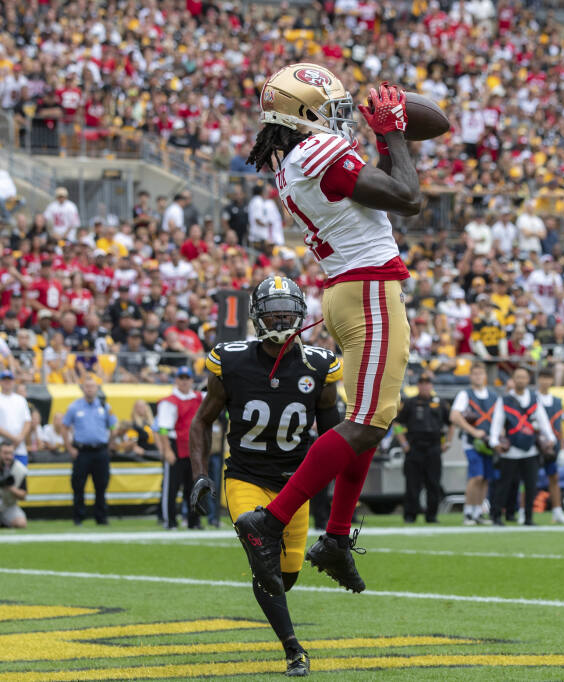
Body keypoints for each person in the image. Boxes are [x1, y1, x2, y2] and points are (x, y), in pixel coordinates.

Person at [235, 66, 421, 599]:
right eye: (328, 107)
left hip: (347, 289)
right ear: (302, 114)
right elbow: (409, 196)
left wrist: (389, 143)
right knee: (367, 422)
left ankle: (336, 538)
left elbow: (383, 191)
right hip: (368, 289)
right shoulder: (317, 156)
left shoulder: (295, 163)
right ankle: (272, 520)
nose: (339, 118)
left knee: (369, 420)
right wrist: (394, 134)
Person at [187, 275, 341, 678]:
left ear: (300, 315)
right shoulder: (233, 360)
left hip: (295, 483)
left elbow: (333, 436)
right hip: (245, 476)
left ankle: (278, 612)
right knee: (262, 555)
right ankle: (294, 649)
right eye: (273, 314)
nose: (280, 321)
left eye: (287, 314)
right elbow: (202, 422)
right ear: (257, 317)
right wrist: (200, 474)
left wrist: (339, 489)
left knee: (282, 577)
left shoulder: (319, 366)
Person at [487, 366, 556, 526]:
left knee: (531, 485)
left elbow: (543, 421)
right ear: (513, 379)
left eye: (524, 377)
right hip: (511, 450)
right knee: (504, 485)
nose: (521, 380)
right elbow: (497, 422)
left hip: (530, 449)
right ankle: (496, 515)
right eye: (518, 377)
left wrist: (550, 437)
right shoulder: (504, 401)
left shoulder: (533, 399)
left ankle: (528, 517)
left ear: (528, 380)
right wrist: (494, 441)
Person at [394, 372, 451, 524]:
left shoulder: (440, 403)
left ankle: (431, 515)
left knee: (433, 483)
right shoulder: (410, 403)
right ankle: (410, 515)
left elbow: (451, 422)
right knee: (412, 483)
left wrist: (448, 442)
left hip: (434, 447)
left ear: (431, 386)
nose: (425, 386)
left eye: (427, 383)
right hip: (414, 447)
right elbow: (397, 423)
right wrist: (403, 443)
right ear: (418, 385)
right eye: (422, 383)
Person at [63, 375, 118, 526]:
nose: (90, 389)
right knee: (78, 486)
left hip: (100, 451)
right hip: (82, 451)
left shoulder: (104, 406)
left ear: (97, 389)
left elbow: (113, 425)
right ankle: (78, 517)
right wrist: (69, 447)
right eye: (87, 386)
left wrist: (110, 442)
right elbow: (64, 426)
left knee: (101, 485)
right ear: (82, 389)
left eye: (92, 386)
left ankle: (101, 517)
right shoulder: (74, 407)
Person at [449, 362, 498, 525]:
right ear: (471, 376)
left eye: (481, 373)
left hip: (489, 443)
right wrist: (473, 431)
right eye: (475, 374)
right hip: (472, 443)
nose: (478, 377)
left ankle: (478, 512)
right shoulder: (465, 394)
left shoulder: (493, 395)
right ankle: (468, 512)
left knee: (485, 478)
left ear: (485, 376)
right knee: (476, 476)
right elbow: (455, 416)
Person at [155, 365, 204, 530]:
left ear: (191, 380)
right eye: (181, 378)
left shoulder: (198, 397)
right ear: (176, 380)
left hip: (194, 448)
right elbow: (162, 428)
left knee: (194, 487)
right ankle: (170, 521)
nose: (184, 381)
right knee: (172, 487)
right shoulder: (170, 402)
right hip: (176, 446)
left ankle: (194, 521)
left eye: (186, 378)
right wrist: (167, 450)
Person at [536, 369, 564, 525]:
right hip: (536, 444)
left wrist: (563, 448)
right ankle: (524, 511)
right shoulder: (533, 399)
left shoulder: (557, 401)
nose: (545, 382)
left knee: (554, 478)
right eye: (542, 378)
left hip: (553, 446)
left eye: (548, 378)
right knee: (528, 479)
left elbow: (560, 428)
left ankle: (557, 511)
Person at [0, 369, 33, 466]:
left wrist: (20, 438)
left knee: (19, 477)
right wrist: (15, 438)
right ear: (0, 382)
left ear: (13, 382)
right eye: (4, 379)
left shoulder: (20, 400)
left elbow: (27, 422)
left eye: (9, 379)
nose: (7, 382)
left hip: (19, 449)